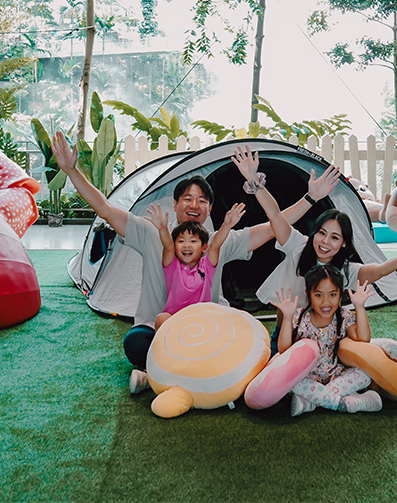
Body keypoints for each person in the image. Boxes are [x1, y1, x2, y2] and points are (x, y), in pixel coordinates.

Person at [52, 132, 341, 392]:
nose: (194, 205)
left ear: (210, 209)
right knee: (137, 343)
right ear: (175, 205)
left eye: (202, 200)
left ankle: (160, 375)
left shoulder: (218, 240)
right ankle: (178, 372)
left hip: (213, 330)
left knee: (250, 339)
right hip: (160, 330)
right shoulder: (151, 232)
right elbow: (104, 208)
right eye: (187, 199)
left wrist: (310, 198)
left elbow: (272, 227)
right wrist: (71, 170)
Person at [231, 144, 397, 354]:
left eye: (334, 237)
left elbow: (380, 270)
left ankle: (368, 347)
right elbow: (275, 216)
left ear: (343, 243)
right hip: (288, 333)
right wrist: (254, 181)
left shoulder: (344, 270)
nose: (325, 242)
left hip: (326, 337)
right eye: (321, 233)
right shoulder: (298, 246)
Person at [274, 265, 382, 416]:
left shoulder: (343, 315)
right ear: (308, 295)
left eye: (332, 295)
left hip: (337, 375)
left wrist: (359, 307)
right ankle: (342, 403)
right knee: (288, 380)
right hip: (307, 378)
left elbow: (363, 339)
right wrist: (286, 318)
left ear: (340, 294)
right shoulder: (300, 317)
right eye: (318, 295)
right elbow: (284, 351)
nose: (326, 302)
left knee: (364, 373)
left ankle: (310, 402)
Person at [148, 202, 245, 329]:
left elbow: (215, 244)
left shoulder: (207, 266)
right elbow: (168, 245)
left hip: (202, 319)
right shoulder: (171, 266)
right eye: (181, 241)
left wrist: (227, 225)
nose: (187, 245)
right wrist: (163, 229)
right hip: (176, 321)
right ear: (175, 246)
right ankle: (166, 348)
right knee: (161, 318)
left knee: (225, 318)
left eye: (193, 241)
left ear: (204, 247)